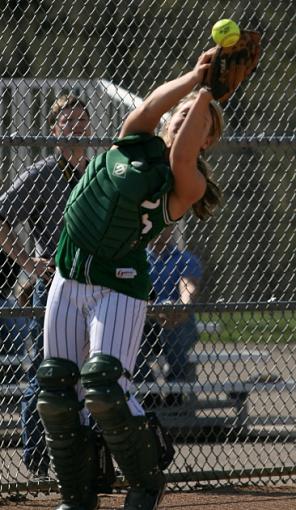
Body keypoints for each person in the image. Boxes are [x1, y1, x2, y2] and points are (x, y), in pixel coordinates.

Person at [36, 46, 224, 510]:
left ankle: (145, 484)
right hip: (69, 274)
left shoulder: (186, 181)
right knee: (57, 388)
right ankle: (78, 497)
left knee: (103, 385)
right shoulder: (135, 136)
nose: (181, 123)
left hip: (119, 285)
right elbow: (152, 105)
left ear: (205, 142)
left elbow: (180, 152)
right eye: (178, 117)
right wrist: (194, 78)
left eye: (197, 125)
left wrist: (207, 95)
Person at [0, 94, 91, 477]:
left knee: (97, 373)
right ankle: (38, 463)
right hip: (54, 285)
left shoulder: (100, 170)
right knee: (46, 370)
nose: (75, 127)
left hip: (99, 283)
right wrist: (27, 262)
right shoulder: (39, 175)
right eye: (66, 121)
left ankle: (90, 456)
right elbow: (2, 217)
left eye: (81, 120)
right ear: (54, 130)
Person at [135, 225, 203, 384]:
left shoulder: (184, 259)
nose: (160, 228)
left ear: (172, 228)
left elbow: (187, 286)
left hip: (178, 323)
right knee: (131, 344)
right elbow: (137, 293)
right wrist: (155, 311)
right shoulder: (138, 260)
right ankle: (149, 393)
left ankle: (176, 387)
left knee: (172, 322)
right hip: (146, 325)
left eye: (165, 224)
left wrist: (180, 307)